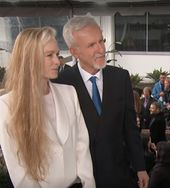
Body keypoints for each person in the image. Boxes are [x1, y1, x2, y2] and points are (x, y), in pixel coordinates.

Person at [53, 14, 149, 188]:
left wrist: (140, 167)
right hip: (79, 180)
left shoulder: (120, 77)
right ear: (74, 51)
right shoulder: (61, 83)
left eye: (101, 41)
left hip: (119, 176)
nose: (101, 49)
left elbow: (130, 128)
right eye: (91, 45)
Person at [0, 27, 95, 187]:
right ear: (30, 58)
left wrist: (89, 184)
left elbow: (82, 146)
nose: (58, 61)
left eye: (57, 54)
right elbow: (20, 171)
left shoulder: (69, 93)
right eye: (49, 55)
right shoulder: (7, 105)